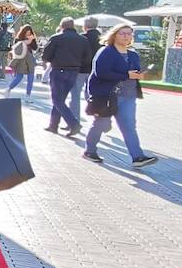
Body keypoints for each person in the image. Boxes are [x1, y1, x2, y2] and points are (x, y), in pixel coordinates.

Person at [84, 24, 157, 167]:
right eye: (122, 33)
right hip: (107, 95)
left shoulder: (133, 54)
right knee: (101, 124)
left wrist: (139, 75)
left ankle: (138, 157)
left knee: (129, 126)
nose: (126, 36)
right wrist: (126, 74)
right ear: (114, 35)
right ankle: (89, 151)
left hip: (128, 96)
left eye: (129, 34)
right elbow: (101, 73)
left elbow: (134, 72)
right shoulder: (106, 52)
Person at [41, 17, 94, 135]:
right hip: (74, 71)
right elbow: (87, 57)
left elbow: (46, 55)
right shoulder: (82, 40)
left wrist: (53, 60)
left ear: (62, 26)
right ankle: (53, 125)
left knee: (57, 99)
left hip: (58, 70)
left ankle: (73, 124)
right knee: (60, 99)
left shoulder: (56, 38)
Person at [73, 17, 100, 127]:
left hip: (81, 69)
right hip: (95, 71)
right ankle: (98, 117)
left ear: (85, 26)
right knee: (91, 95)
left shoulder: (81, 38)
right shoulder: (102, 38)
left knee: (75, 96)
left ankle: (74, 121)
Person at [4, 25, 37, 98]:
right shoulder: (18, 39)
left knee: (30, 79)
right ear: (23, 32)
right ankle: (9, 89)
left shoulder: (32, 38)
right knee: (19, 77)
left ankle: (28, 95)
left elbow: (35, 47)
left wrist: (31, 40)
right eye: (27, 32)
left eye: (29, 32)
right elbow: (16, 48)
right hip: (21, 60)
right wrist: (27, 41)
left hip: (30, 60)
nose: (28, 34)